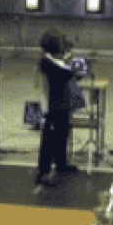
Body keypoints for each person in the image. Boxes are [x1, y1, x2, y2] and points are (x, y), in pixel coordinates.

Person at [36, 28, 79, 187]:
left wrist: (67, 58)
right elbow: (66, 74)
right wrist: (69, 60)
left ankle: (61, 163)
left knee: (62, 135)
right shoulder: (47, 62)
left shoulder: (52, 60)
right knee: (49, 140)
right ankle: (43, 172)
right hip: (51, 108)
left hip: (61, 105)